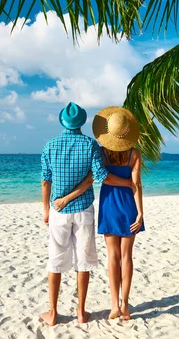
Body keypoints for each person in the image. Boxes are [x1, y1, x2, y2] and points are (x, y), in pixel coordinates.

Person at [40, 102, 133, 326]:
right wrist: (128, 183)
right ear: (82, 122)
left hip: (59, 212)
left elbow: (45, 181)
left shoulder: (50, 146)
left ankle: (52, 313)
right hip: (83, 211)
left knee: (55, 261)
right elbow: (101, 176)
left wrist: (46, 209)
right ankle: (81, 312)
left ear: (62, 121)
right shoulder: (90, 145)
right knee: (83, 261)